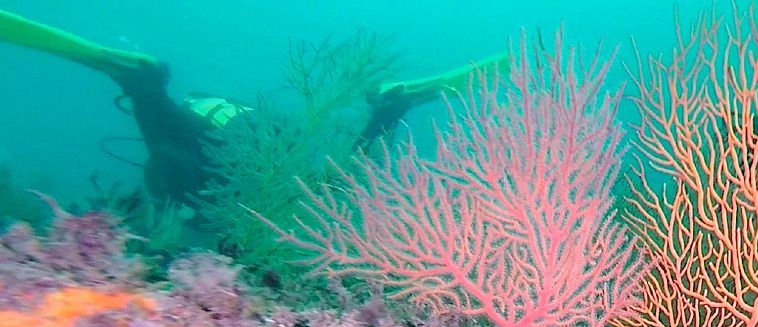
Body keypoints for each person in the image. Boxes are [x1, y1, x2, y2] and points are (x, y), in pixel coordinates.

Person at [0, 9, 507, 207]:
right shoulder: (231, 111)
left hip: (227, 158)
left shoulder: (194, 118)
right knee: (335, 189)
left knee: (163, 148)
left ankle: (142, 80)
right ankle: (388, 109)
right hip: (271, 144)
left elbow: (174, 166)